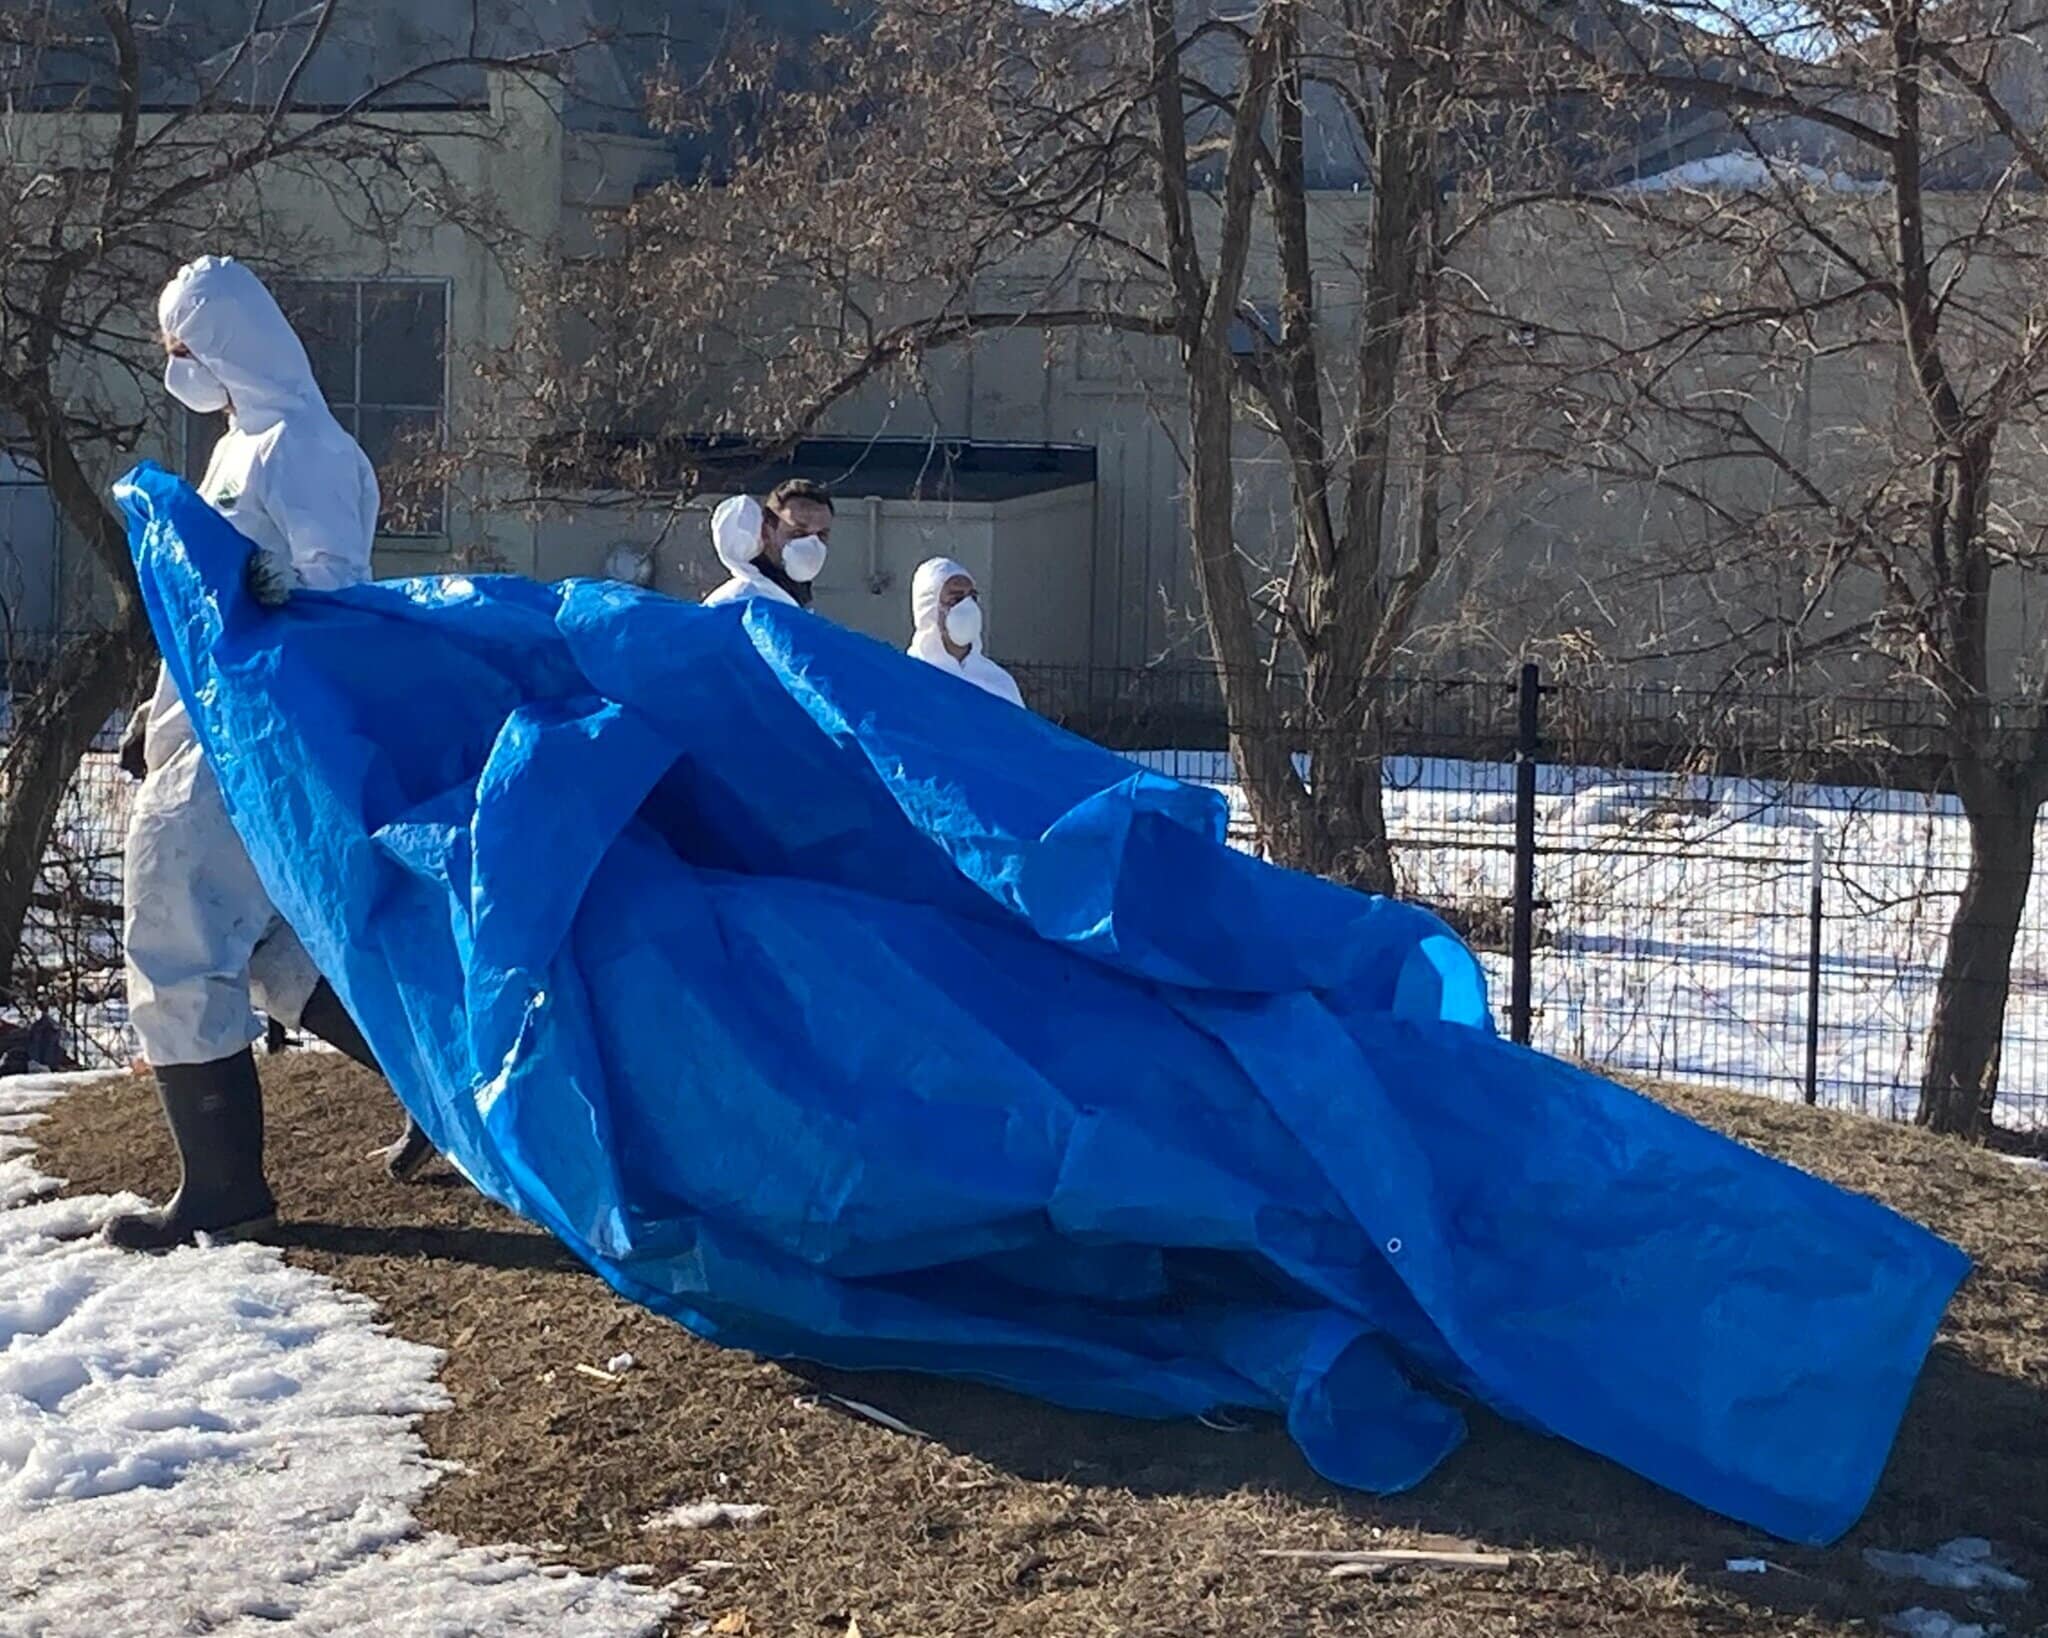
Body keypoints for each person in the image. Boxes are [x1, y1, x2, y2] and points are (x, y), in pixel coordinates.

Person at [112, 256, 432, 1251]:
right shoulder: (239, 446)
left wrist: (269, 605)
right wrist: (153, 708)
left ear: (230, 342)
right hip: (209, 723)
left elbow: (332, 598)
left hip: (251, 734)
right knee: (270, 950)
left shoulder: (305, 448)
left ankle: (222, 1190)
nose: (179, 368)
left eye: (186, 348)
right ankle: (436, 1085)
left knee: (174, 927)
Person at [906, 558, 1025, 708]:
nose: (968, 606)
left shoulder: (1000, 683)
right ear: (929, 608)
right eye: (956, 598)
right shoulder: (908, 680)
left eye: (972, 597)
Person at [701, 479, 833, 608]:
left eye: (821, 534)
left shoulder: (789, 597)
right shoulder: (739, 601)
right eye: (798, 533)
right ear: (766, 531)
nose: (812, 544)